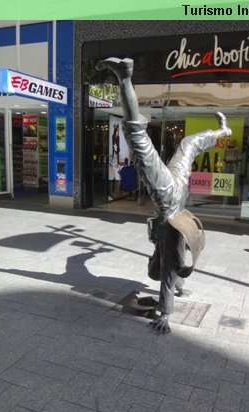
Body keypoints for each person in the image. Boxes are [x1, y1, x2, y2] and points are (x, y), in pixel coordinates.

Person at [96, 57, 232, 333]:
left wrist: (164, 313)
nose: (154, 262)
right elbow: (168, 264)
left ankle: (124, 76)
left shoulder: (168, 232)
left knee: (139, 137)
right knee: (189, 143)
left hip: (170, 199)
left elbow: (167, 270)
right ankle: (224, 130)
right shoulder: (168, 229)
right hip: (175, 192)